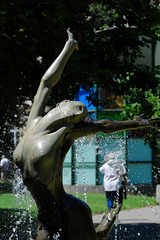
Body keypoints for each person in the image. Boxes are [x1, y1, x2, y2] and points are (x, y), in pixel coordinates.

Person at [13, 29, 159, 240]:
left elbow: (104, 125)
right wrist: (69, 47)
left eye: (80, 112)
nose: (80, 110)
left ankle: (106, 223)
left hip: (66, 208)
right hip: (46, 213)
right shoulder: (34, 121)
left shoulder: (65, 131)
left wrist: (135, 123)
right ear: (62, 104)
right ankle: (106, 223)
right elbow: (46, 82)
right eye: (78, 107)